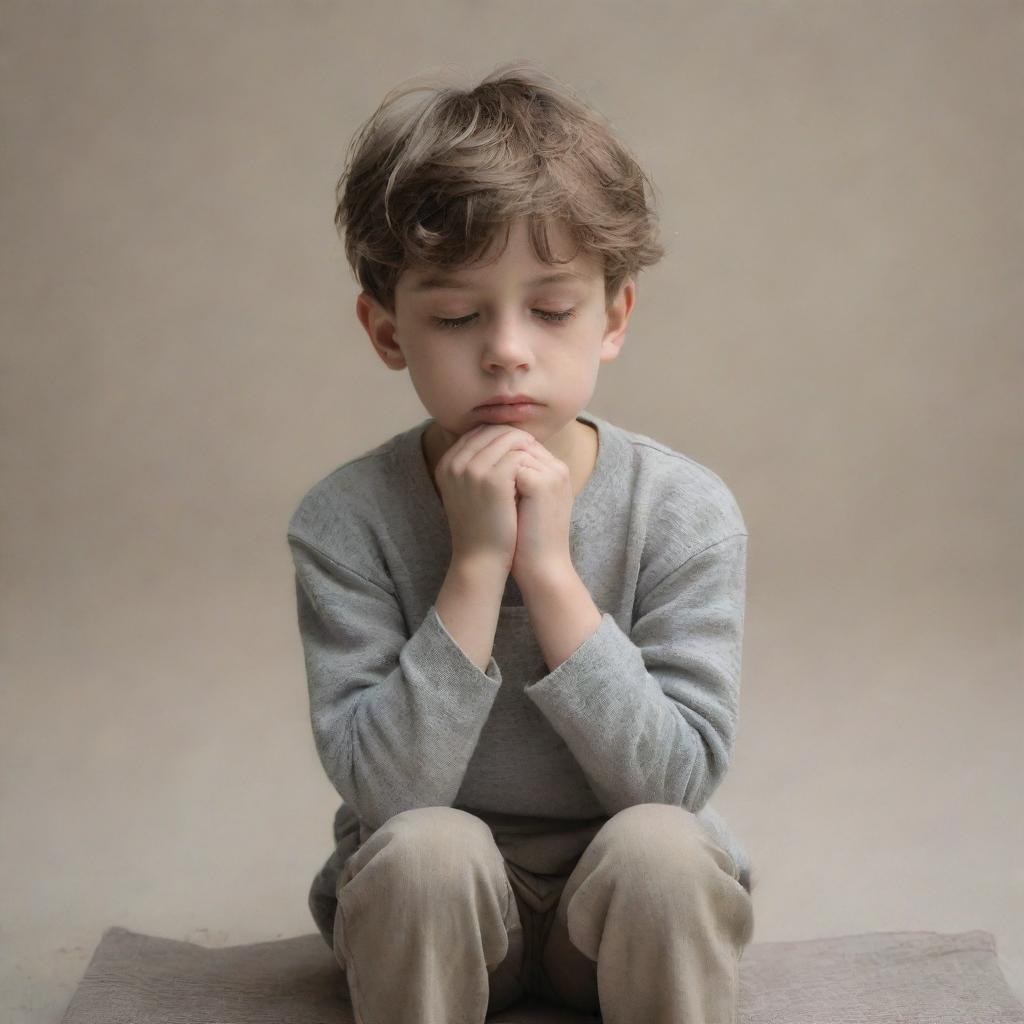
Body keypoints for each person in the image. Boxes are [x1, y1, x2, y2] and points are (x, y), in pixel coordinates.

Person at [287, 59, 756, 1024]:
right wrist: (473, 566)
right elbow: (387, 797)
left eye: (550, 310)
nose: (507, 348)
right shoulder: (346, 521)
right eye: (457, 315)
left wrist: (547, 571)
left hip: (616, 911)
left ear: (612, 317)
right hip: (440, 919)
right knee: (425, 850)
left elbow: (674, 782)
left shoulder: (684, 510)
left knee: (667, 851)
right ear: (387, 332)